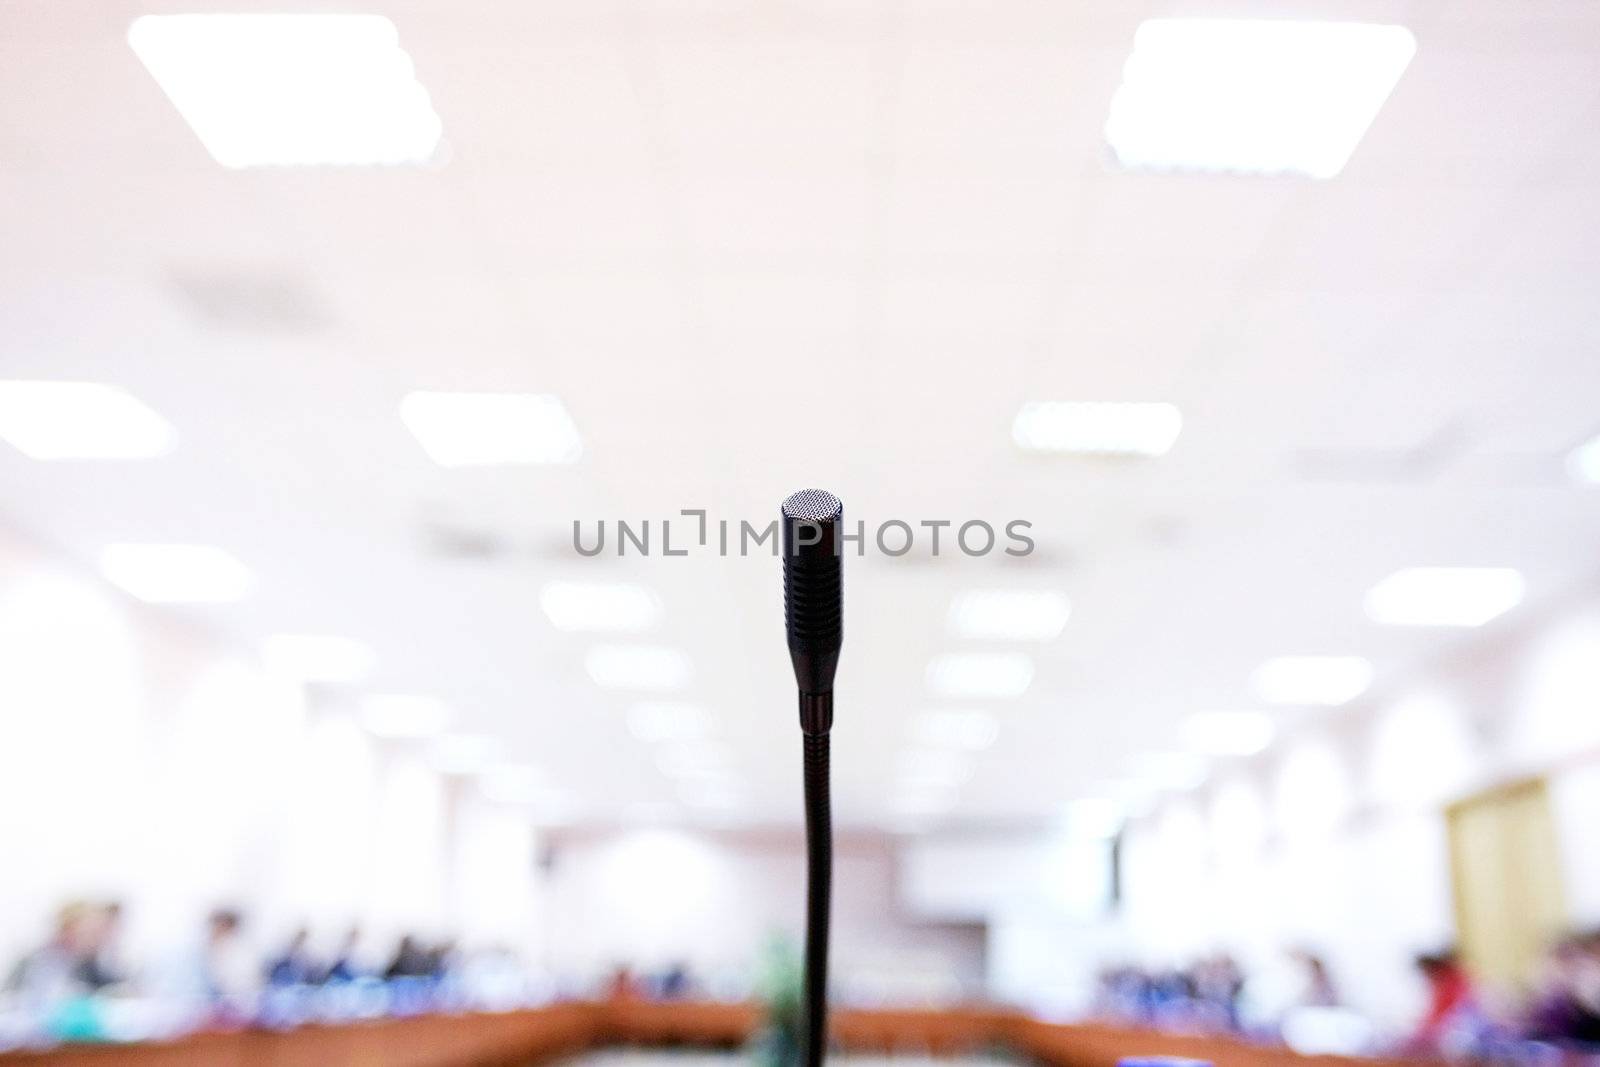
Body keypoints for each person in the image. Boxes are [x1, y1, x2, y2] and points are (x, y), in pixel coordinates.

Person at [4, 903, 98, 1006]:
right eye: (83, 929)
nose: (88, 935)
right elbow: (10, 993)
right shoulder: (33, 959)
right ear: (68, 927)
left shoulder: (85, 964)